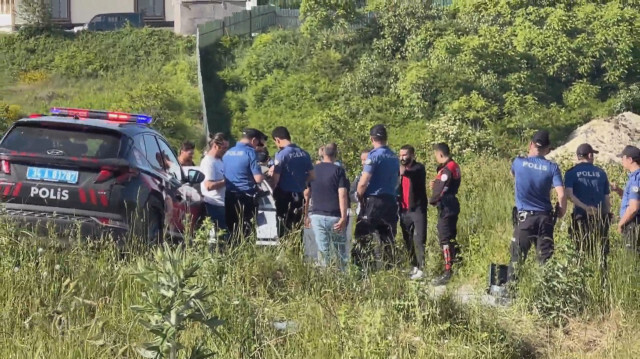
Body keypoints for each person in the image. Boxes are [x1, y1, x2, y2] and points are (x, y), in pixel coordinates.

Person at [509, 130, 566, 280]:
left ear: (531, 144)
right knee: (545, 259)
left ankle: (510, 292)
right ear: (547, 149)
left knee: (517, 257)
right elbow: (561, 194)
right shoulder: (552, 167)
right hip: (545, 219)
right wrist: (561, 210)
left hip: (525, 218)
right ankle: (544, 291)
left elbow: (513, 175)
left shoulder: (518, 162)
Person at [353, 125, 399, 270]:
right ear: (386, 138)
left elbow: (363, 182)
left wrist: (359, 197)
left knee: (362, 235)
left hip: (374, 200)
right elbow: (397, 179)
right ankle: (390, 271)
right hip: (390, 201)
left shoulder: (374, 155)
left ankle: (364, 271)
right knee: (388, 238)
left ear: (372, 139)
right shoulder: (394, 156)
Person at [564, 143, 611, 267]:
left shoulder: (571, 172)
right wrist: (607, 215)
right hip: (600, 218)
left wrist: (585, 208)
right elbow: (607, 199)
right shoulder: (601, 173)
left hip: (580, 217)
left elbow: (569, 194)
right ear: (590, 155)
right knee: (601, 253)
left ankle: (581, 280)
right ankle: (602, 280)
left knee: (580, 252)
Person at [305, 143, 350, 270]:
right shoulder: (338, 171)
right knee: (340, 252)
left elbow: (307, 194)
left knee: (323, 252)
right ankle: (342, 279)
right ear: (335, 154)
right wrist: (343, 217)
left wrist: (306, 215)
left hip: (317, 215)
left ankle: (325, 281)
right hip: (334, 216)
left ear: (323, 154)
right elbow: (342, 194)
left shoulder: (313, 170)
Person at [222, 128, 267, 242]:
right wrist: (266, 175)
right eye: (257, 143)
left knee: (232, 231)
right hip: (246, 198)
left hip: (229, 196)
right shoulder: (250, 152)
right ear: (253, 140)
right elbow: (257, 178)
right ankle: (246, 257)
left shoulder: (228, 152)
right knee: (247, 232)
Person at [269, 126, 314, 238]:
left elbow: (276, 179)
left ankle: (285, 252)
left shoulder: (281, 155)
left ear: (277, 139)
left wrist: (271, 190)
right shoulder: (304, 153)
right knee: (298, 228)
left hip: (285, 197)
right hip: (299, 196)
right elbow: (312, 175)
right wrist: (303, 183)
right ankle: (297, 252)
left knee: (284, 227)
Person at [428, 143, 462, 285]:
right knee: (451, 237)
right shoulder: (453, 165)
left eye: (436, 155)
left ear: (440, 154)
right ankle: (457, 264)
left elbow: (442, 188)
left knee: (445, 239)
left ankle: (448, 271)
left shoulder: (448, 168)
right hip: (452, 204)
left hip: (447, 206)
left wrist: (432, 200)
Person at [398, 145, 428, 280]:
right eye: (400, 155)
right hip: (404, 209)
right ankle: (413, 265)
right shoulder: (400, 171)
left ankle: (423, 268)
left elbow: (412, 175)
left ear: (412, 155)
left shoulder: (418, 168)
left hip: (417, 209)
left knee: (419, 239)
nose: (402, 157)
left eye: (405, 155)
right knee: (407, 239)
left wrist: (403, 171)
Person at [611, 145, 640, 253]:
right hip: (633, 222)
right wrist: (619, 191)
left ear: (630, 159)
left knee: (632, 257)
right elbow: (634, 199)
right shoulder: (634, 177)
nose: (621, 161)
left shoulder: (636, 179)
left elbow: (634, 207)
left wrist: (621, 224)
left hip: (633, 224)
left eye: (623, 158)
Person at [199, 133, 230, 236]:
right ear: (216, 146)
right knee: (222, 236)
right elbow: (209, 186)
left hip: (222, 203)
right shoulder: (208, 162)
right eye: (224, 147)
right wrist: (227, 181)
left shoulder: (219, 161)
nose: (225, 150)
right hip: (214, 205)